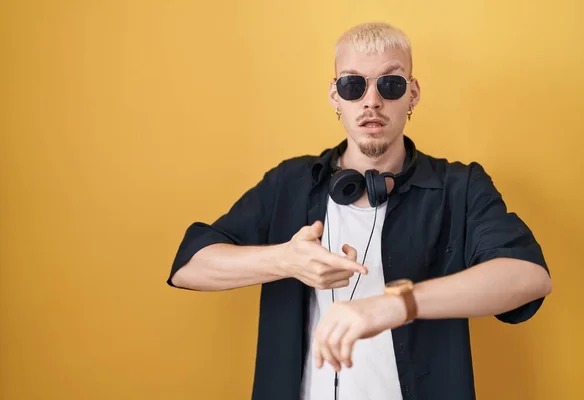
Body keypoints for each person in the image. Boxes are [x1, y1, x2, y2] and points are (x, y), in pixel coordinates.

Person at [167, 22, 552, 400]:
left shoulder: (459, 186)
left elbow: (527, 276)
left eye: (391, 84)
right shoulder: (289, 182)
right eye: (354, 85)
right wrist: (286, 260)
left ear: (413, 94)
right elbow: (190, 267)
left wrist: (395, 306)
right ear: (335, 96)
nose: (372, 101)